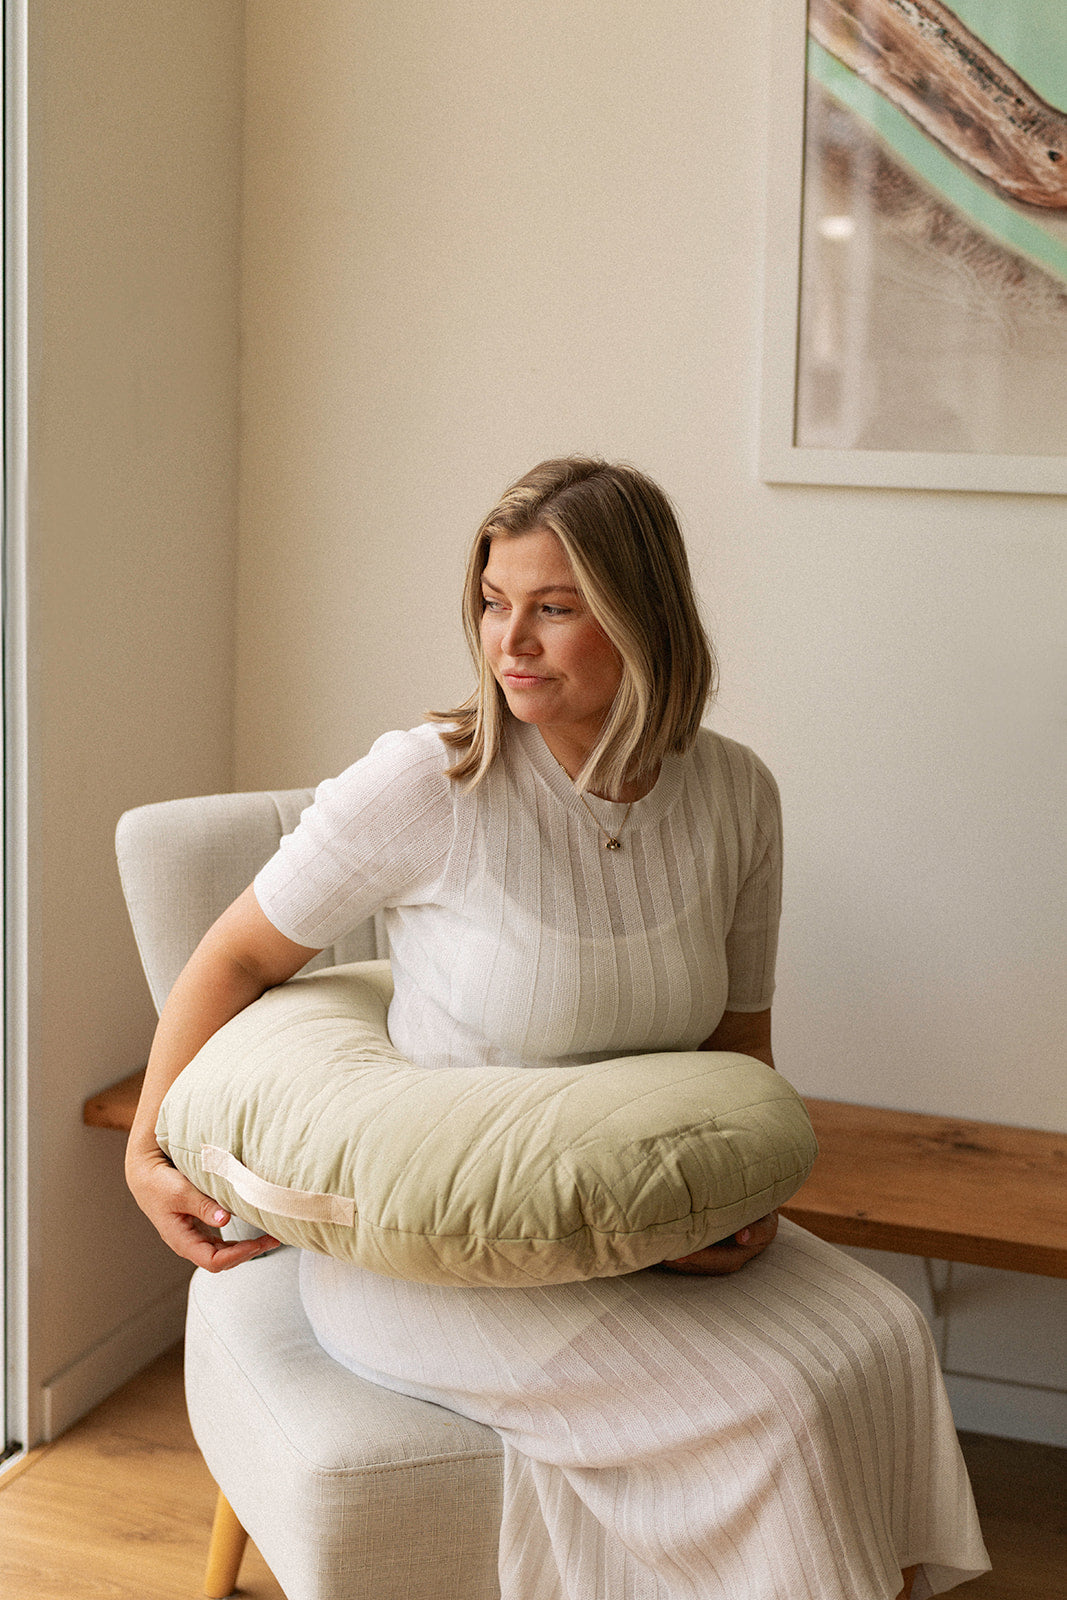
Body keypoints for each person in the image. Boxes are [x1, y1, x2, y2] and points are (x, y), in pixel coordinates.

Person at [127, 458, 989, 1600]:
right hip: (440, 1259)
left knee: (881, 1340)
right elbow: (234, 955)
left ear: (641, 614)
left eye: (554, 607)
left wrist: (733, 1207)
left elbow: (739, 1050)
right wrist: (145, 1148)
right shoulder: (429, 782)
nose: (510, 643)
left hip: (647, 1228)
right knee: (777, 1407)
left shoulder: (736, 795)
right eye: (493, 602)